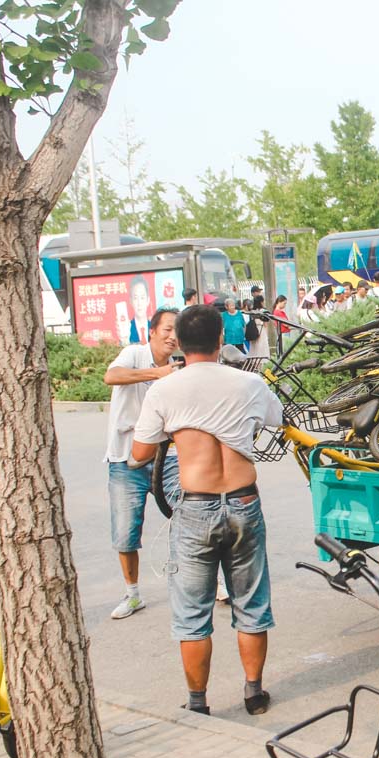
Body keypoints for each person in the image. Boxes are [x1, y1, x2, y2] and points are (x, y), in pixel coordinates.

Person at [131, 304, 283, 716]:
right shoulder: (248, 382)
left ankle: (198, 704)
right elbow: (275, 419)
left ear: (178, 343)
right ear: (221, 340)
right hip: (244, 500)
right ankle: (254, 692)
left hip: (195, 507)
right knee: (250, 603)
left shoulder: (165, 390)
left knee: (192, 613)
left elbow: (139, 453)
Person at [103, 308, 181, 620]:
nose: (173, 337)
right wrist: (156, 374)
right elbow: (112, 377)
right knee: (125, 532)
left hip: (168, 457)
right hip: (126, 458)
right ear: (152, 331)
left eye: (178, 331)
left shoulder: (181, 366)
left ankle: (205, 581)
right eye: (167, 330)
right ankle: (133, 594)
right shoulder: (133, 354)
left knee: (192, 514)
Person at [127, 277, 153, 344]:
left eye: (142, 298)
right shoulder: (127, 329)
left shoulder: (154, 328)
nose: (139, 303)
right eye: (135, 298)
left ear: (148, 300)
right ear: (131, 301)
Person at [247, 295, 270, 359]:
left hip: (253, 331)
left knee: (254, 347)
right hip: (261, 330)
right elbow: (265, 324)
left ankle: (253, 361)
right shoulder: (263, 311)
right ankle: (262, 362)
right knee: (262, 348)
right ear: (261, 302)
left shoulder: (252, 311)